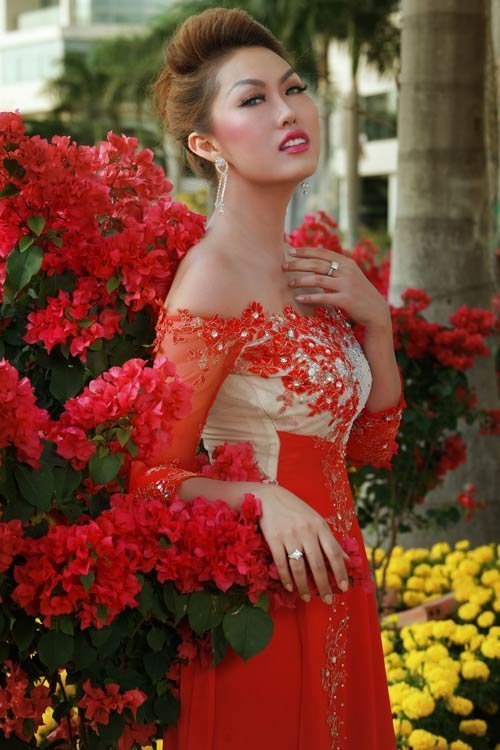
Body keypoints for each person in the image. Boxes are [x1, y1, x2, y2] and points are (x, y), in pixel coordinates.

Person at [129, 7, 404, 749]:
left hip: (337, 583)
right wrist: (261, 497)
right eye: (253, 99)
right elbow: (146, 476)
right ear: (206, 143)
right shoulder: (211, 276)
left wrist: (377, 324)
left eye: (294, 88)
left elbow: (370, 447)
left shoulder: (313, 270)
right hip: (260, 599)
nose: (287, 111)